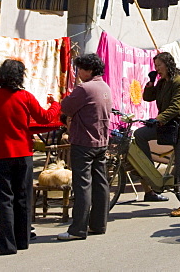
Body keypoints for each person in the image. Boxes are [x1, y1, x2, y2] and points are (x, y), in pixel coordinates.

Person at [0, 59, 61, 256]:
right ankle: (22, 240)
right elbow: (45, 117)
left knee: (5, 199)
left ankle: (7, 244)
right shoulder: (25, 96)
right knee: (23, 197)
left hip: (1, 154)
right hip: (24, 153)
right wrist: (55, 104)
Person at [58, 53, 112, 241]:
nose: (78, 72)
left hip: (84, 141)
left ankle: (78, 229)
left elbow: (66, 107)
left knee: (82, 186)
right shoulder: (105, 86)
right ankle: (98, 224)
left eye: (80, 68)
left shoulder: (85, 88)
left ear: (89, 70)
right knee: (100, 184)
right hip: (101, 141)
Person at [138, 51, 180, 217]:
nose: (157, 69)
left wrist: (158, 119)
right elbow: (149, 98)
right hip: (164, 125)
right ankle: (151, 172)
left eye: (159, 66)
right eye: (155, 66)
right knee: (140, 135)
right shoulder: (162, 82)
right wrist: (150, 84)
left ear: (168, 64)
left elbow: (176, 107)